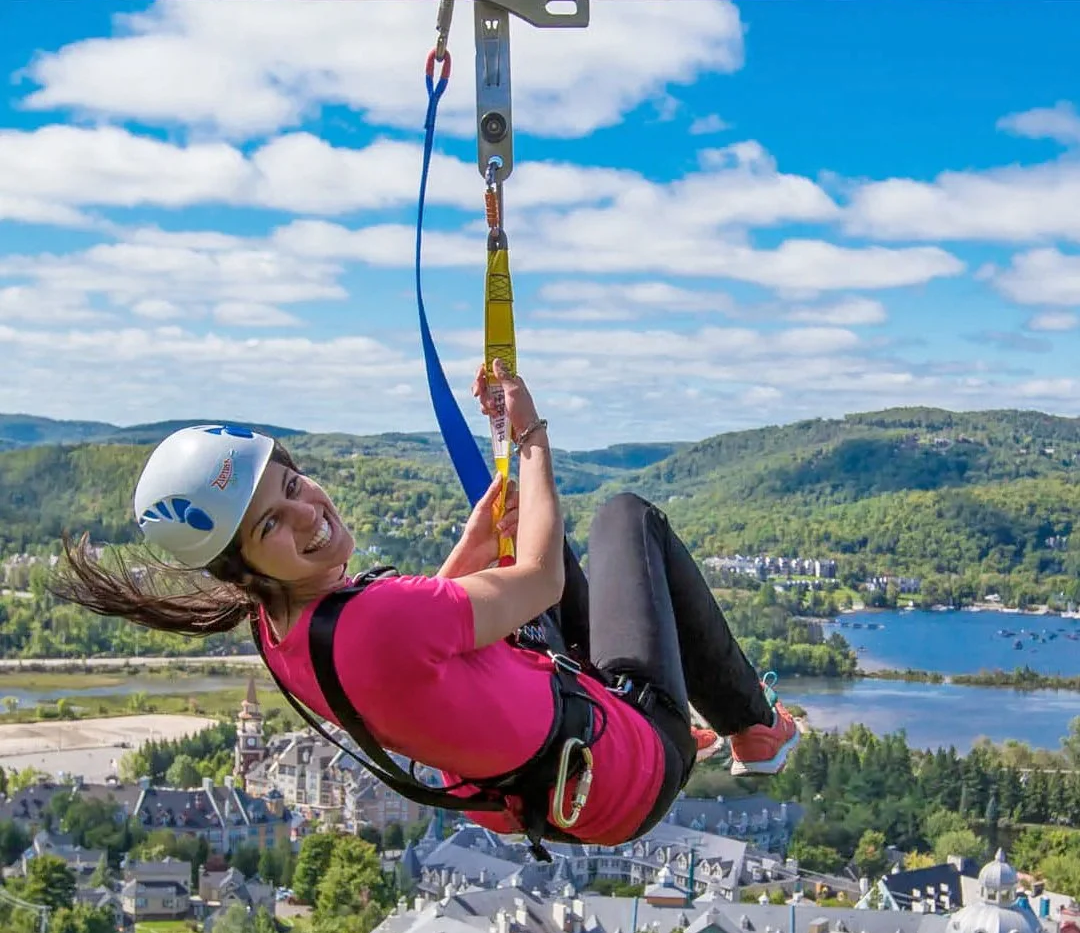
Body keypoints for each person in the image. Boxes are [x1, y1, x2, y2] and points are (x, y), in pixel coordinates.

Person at [53, 361, 798, 856]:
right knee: (625, 518)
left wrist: (476, 543)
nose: (307, 513)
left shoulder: (278, 630)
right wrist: (530, 435)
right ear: (241, 565)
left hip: (552, 792)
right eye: (271, 523)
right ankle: (753, 729)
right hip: (632, 770)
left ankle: (696, 720)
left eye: (292, 485)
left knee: (526, 550)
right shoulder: (379, 621)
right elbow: (539, 582)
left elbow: (409, 657)